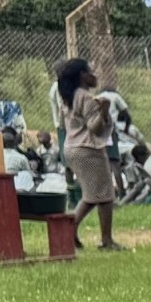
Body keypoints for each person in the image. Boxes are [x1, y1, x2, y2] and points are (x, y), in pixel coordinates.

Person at [55, 57, 121, 250]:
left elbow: (63, 124)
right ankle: (106, 240)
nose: (95, 75)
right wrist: (104, 112)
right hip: (88, 149)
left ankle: (70, 230)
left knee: (93, 194)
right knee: (105, 195)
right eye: (91, 71)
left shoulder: (68, 97)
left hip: (71, 148)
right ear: (83, 76)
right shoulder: (85, 97)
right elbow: (95, 129)